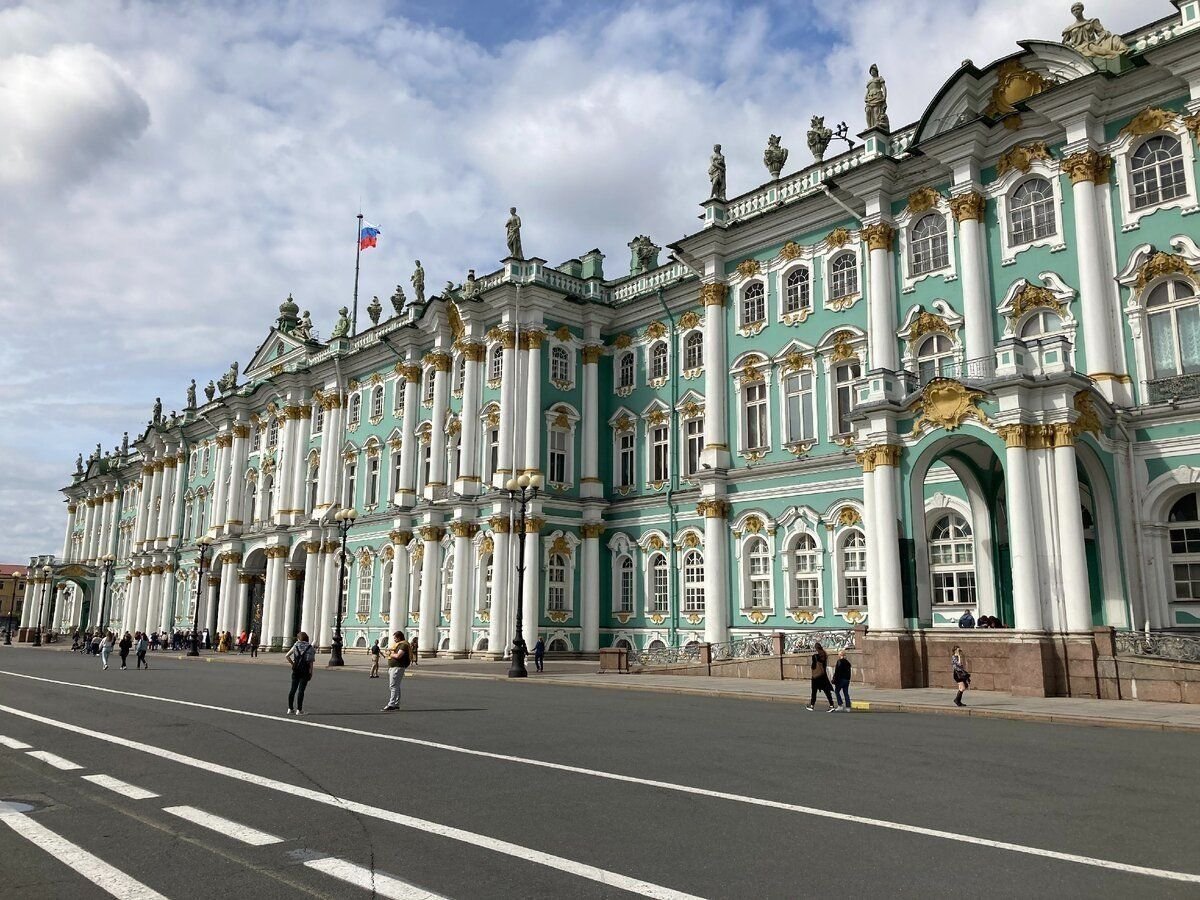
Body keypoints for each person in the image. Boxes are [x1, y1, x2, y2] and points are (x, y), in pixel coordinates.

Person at [285, 631, 316, 715]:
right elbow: (310, 662)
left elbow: (287, 656)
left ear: (299, 638)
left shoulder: (296, 646)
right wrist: (311, 672)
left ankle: (290, 708)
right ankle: (299, 710)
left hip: (296, 670)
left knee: (293, 689)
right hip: (305, 670)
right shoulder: (310, 648)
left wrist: (293, 664)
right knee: (301, 690)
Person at [382, 630, 411, 711]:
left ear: (399, 637)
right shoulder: (399, 645)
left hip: (397, 668)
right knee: (396, 686)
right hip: (394, 667)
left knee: (393, 686)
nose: (394, 639)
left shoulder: (403, 645)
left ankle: (391, 704)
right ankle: (396, 704)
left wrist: (389, 654)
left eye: (395, 638)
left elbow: (398, 656)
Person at [806, 641, 836, 712]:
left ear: (816, 648)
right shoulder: (824, 655)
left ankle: (812, 705)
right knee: (827, 691)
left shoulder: (815, 656)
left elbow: (813, 667)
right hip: (823, 676)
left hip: (816, 677)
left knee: (814, 692)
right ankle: (831, 705)